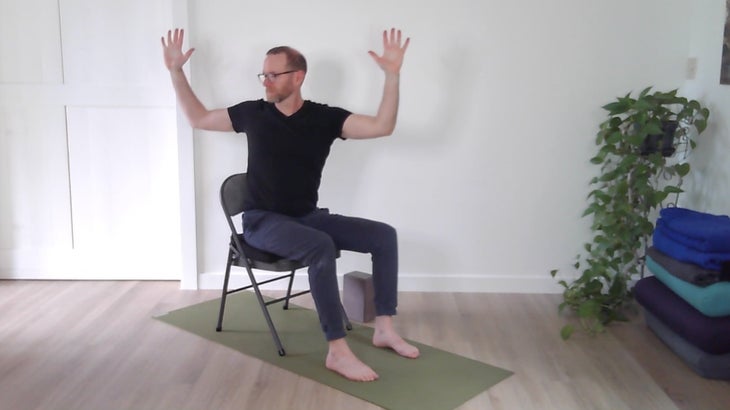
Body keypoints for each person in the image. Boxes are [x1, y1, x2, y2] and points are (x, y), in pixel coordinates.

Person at [161, 27, 418, 382]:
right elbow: (199, 118)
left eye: (273, 74)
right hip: (262, 222)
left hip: (306, 217)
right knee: (320, 247)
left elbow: (381, 126)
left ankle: (384, 328)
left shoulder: (324, 118)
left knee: (383, 236)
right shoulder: (253, 114)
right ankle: (338, 351)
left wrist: (392, 75)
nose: (265, 81)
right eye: (263, 74)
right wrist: (175, 71)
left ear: (297, 77)